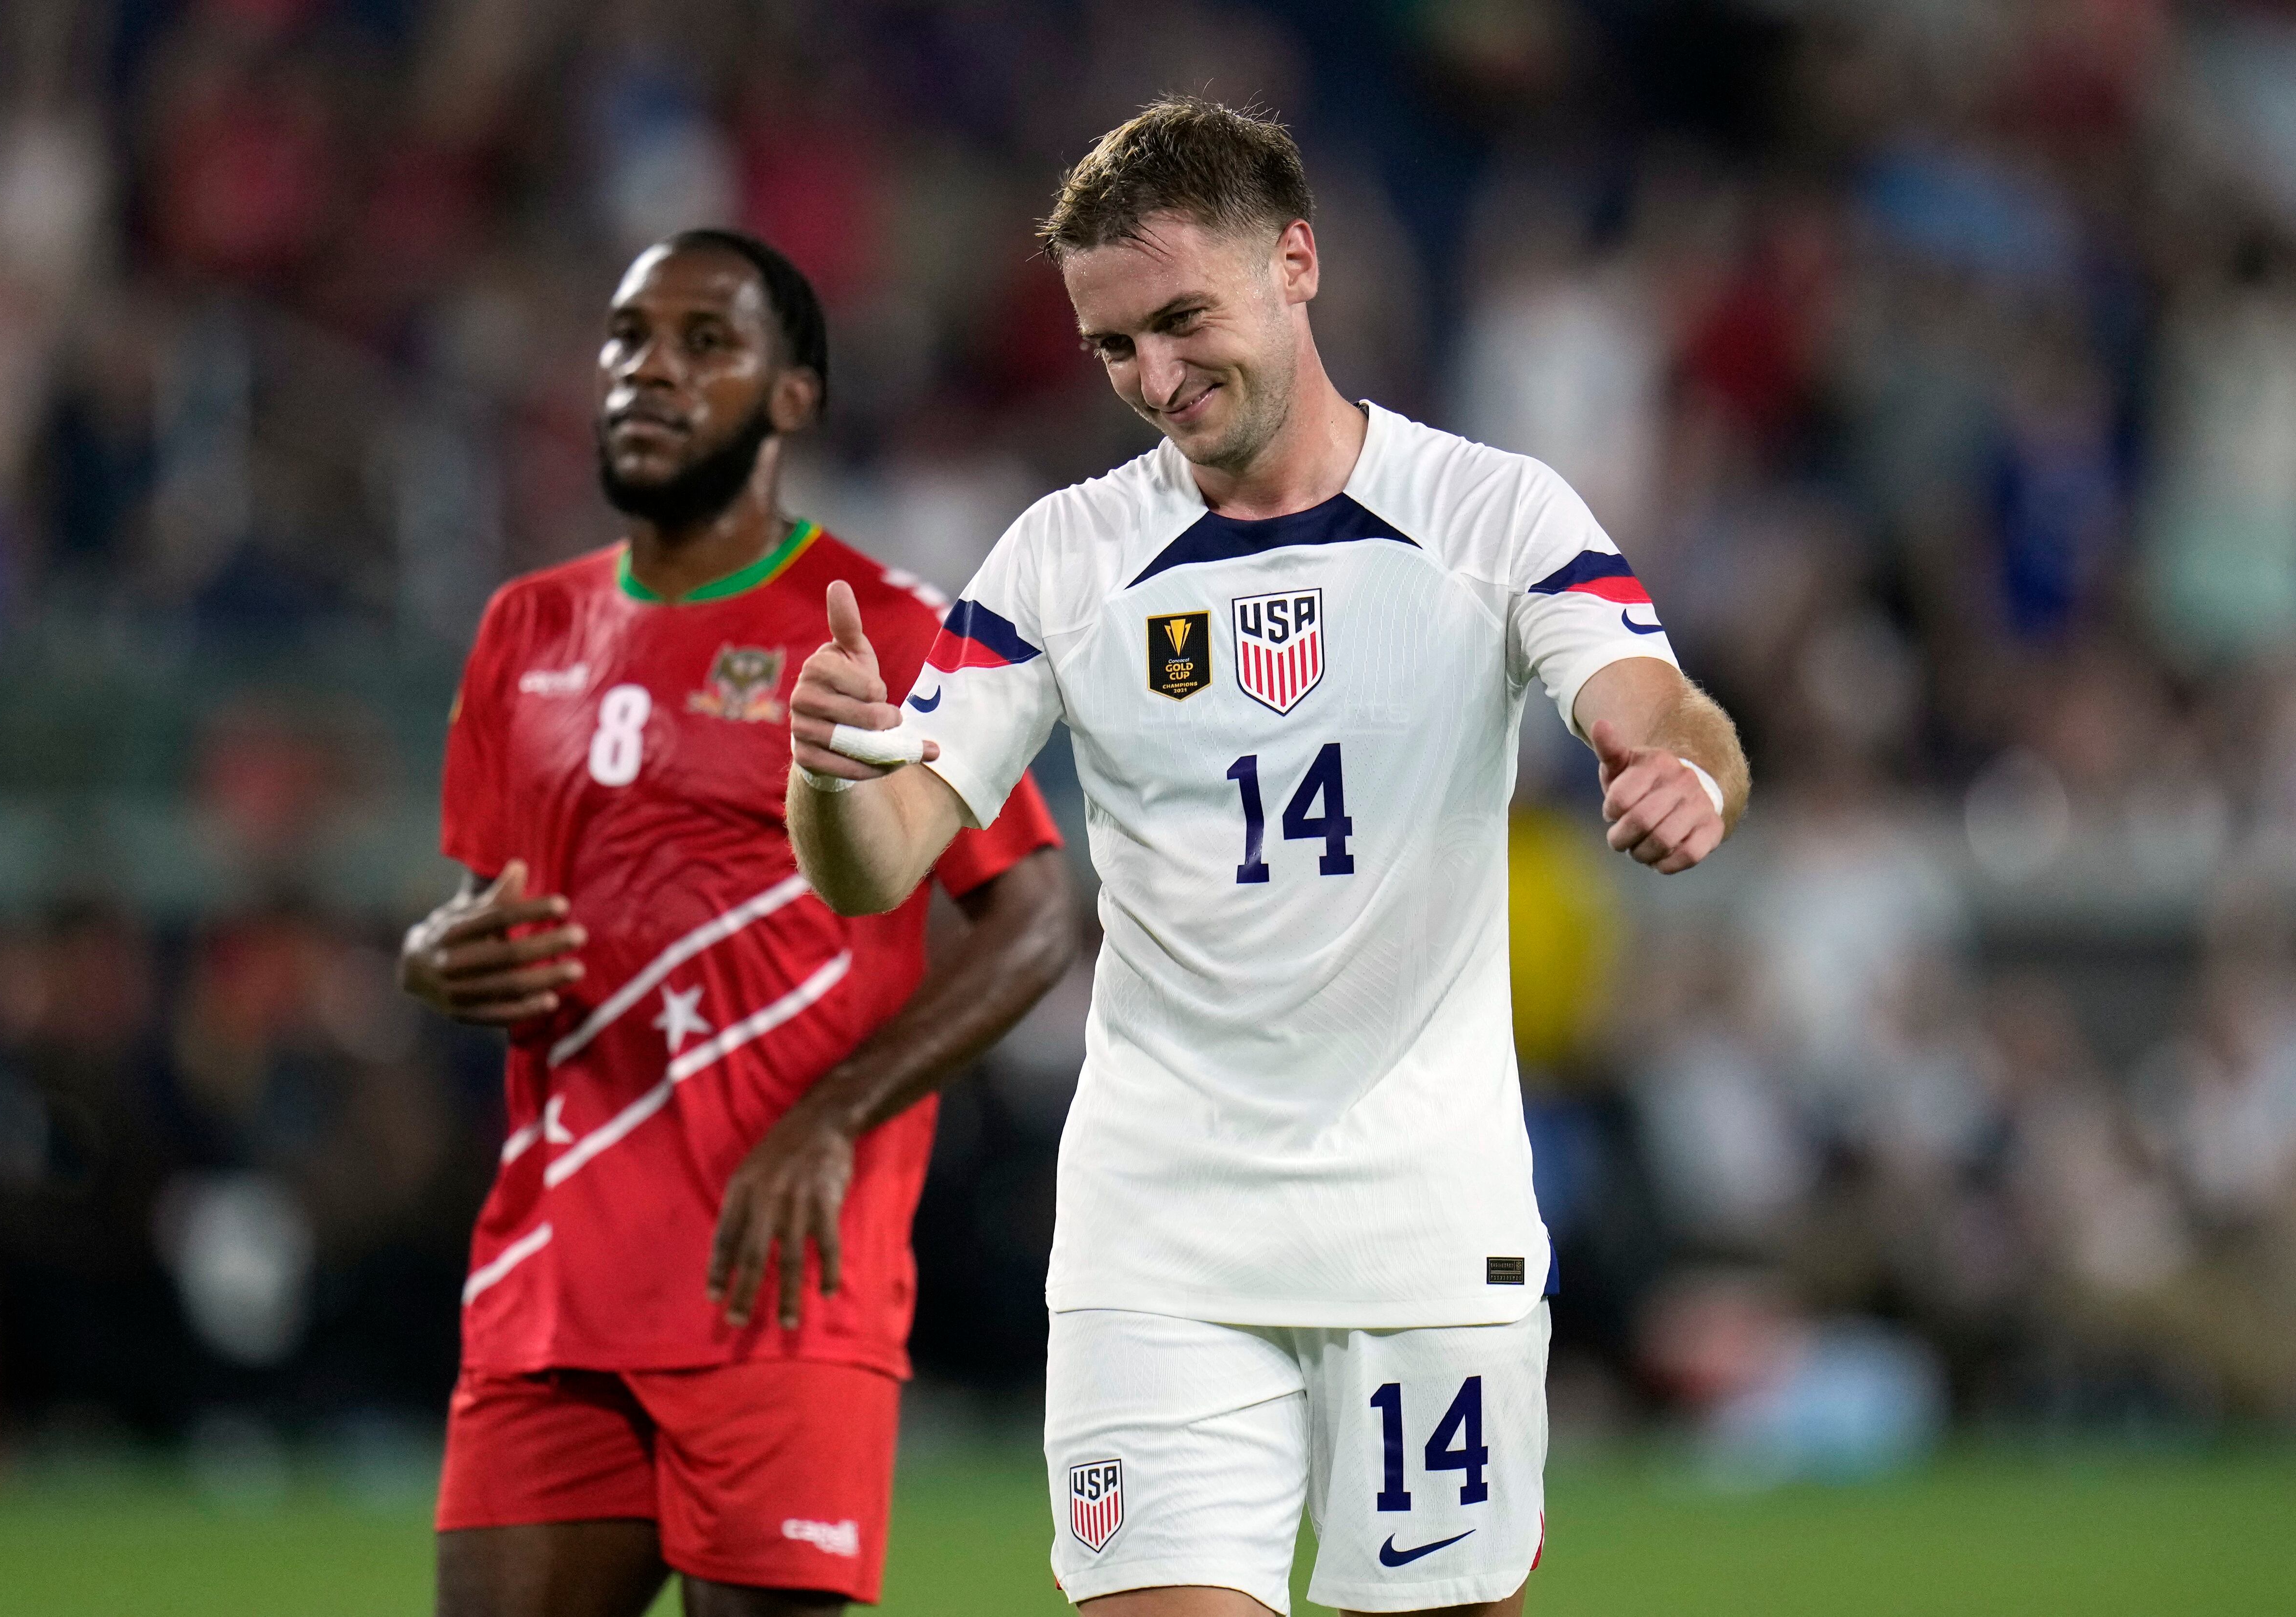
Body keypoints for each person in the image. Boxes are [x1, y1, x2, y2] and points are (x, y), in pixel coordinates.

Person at [786, 101, 1749, 1617]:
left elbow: (1657, 701)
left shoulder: (1488, 513)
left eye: (1182, 321)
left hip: (1426, 1224)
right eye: (1114, 347)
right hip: (1159, 1232)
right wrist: (830, 770)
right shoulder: (1063, 556)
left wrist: (1680, 769)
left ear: (1297, 262)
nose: (1153, 380)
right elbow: (877, 861)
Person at [398, 228, 1074, 1617]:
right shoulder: (525, 627)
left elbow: (1033, 919)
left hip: (780, 1281)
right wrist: (432, 955)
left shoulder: (882, 627)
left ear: (792, 398)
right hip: (552, 1276)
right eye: (629, 338)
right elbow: (497, 911)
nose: (653, 372)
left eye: (707, 345)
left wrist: (835, 1117)